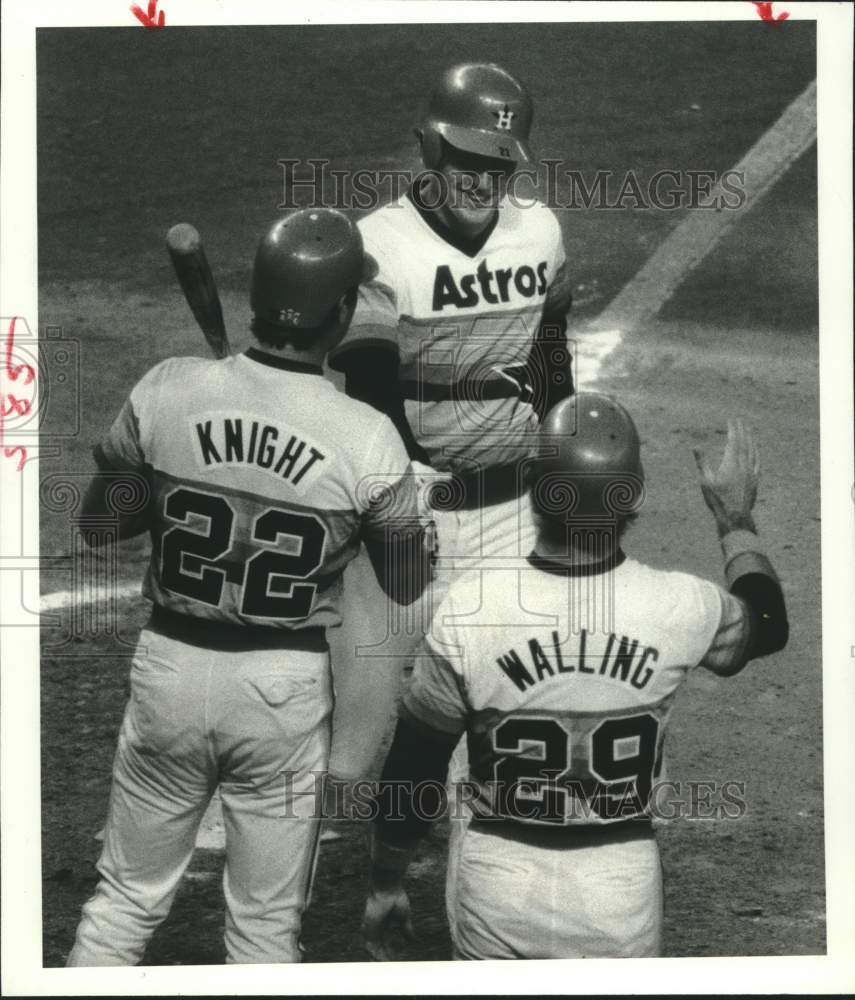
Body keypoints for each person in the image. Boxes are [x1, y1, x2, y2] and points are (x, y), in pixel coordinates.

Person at [66, 208, 431, 966]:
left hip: (168, 671)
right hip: (280, 693)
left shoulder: (167, 389)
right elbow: (405, 583)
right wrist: (380, 524)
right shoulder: (365, 435)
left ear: (260, 298)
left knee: (123, 902)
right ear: (340, 312)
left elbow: (99, 525)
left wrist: (167, 476)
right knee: (264, 928)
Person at [361, 393, 789, 960]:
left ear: (533, 487)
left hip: (499, 885)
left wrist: (385, 882)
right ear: (633, 497)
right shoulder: (681, 606)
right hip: (620, 891)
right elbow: (767, 624)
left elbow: (415, 765)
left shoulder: (470, 608)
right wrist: (735, 520)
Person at [326, 61, 574, 788]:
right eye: (467, 160)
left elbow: (551, 357)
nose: (482, 180)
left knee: (499, 719)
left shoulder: (540, 231)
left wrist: (562, 463)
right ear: (430, 147)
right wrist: (403, 499)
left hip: (510, 514)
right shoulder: (378, 245)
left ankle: (470, 857)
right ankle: (280, 839)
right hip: (406, 510)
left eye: (499, 164)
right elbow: (369, 391)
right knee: (351, 734)